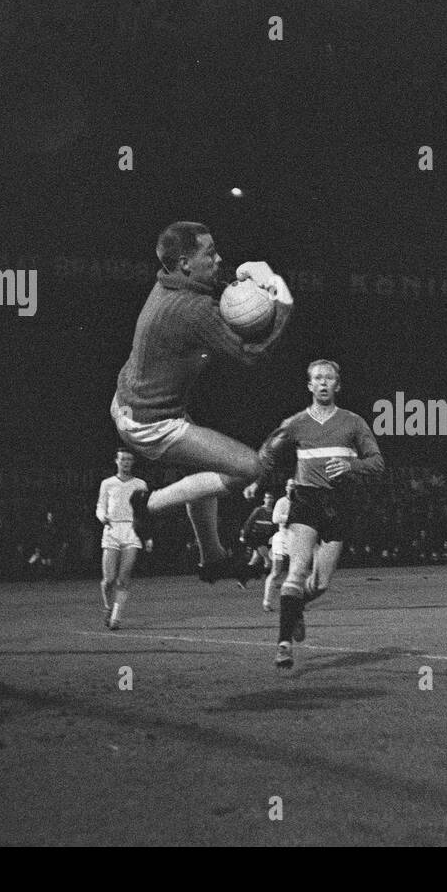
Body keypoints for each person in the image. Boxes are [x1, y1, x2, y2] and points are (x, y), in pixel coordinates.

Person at [114, 221, 293, 587]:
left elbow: (208, 292)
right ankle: (147, 506)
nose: (219, 258)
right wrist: (282, 303)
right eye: (210, 253)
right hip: (151, 423)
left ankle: (212, 558)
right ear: (184, 262)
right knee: (248, 467)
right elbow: (251, 354)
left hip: (129, 403)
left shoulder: (167, 281)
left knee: (205, 472)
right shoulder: (193, 311)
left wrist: (239, 278)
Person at [246, 360, 384, 671]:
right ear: (309, 386)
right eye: (317, 378)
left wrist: (353, 465)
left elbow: (377, 462)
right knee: (295, 573)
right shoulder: (295, 423)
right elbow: (267, 452)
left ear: (338, 385)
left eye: (329, 378)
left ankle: (295, 610)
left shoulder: (353, 423)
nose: (323, 383)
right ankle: (283, 645)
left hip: (339, 504)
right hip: (306, 501)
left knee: (320, 584)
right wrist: (255, 479)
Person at [97, 449, 153, 631]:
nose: (126, 462)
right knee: (109, 579)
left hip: (131, 531)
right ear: (116, 461)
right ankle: (108, 607)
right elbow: (100, 506)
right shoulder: (107, 483)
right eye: (123, 459)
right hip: (112, 530)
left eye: (129, 459)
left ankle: (116, 617)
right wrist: (102, 516)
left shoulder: (140, 484)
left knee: (123, 578)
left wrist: (148, 536)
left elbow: (145, 513)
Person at [263, 480, 295, 612]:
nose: (292, 489)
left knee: (297, 572)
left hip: (296, 539)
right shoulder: (282, 502)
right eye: (290, 486)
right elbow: (275, 518)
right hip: (281, 539)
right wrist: (292, 517)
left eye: (295, 486)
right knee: (276, 571)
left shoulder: (301, 502)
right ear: (286, 487)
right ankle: (267, 602)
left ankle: (295, 603)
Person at [240, 491, 277, 578]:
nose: (269, 500)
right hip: (256, 537)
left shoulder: (274, 512)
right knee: (268, 560)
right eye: (267, 498)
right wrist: (243, 535)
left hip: (265, 537)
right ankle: (271, 581)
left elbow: (274, 526)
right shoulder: (259, 510)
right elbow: (248, 523)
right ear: (264, 499)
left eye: (271, 498)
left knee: (255, 559)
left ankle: (242, 579)